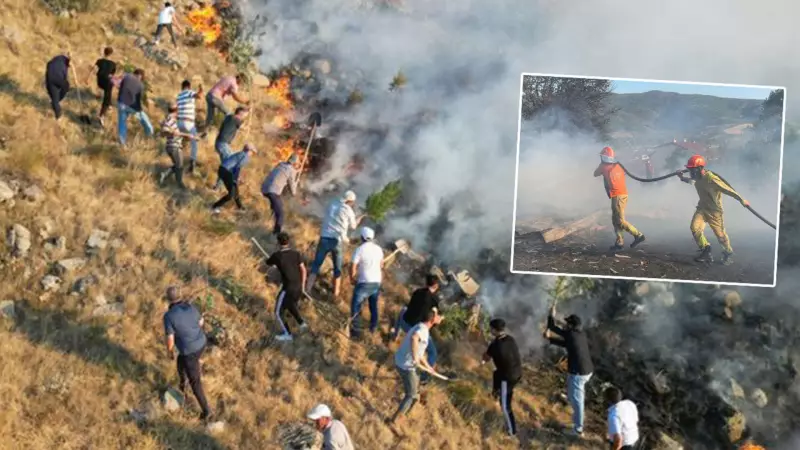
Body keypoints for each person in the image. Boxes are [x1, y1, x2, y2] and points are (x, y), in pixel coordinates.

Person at [678, 154, 749, 265]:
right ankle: (706, 250)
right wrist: (682, 178)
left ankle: (727, 253)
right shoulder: (696, 178)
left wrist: (741, 199)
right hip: (702, 208)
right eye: (690, 170)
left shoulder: (711, 179)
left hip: (714, 212)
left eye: (693, 169)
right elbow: (691, 181)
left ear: (700, 168)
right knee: (695, 228)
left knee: (720, 236)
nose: (691, 172)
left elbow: (728, 189)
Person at [162, 286, 212, 421]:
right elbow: (201, 322)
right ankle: (182, 385)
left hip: (190, 351)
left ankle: (207, 411)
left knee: (195, 382)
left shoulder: (168, 316)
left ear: (168, 299)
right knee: (180, 361)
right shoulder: (190, 307)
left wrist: (170, 352)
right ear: (180, 295)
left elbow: (170, 339)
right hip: (202, 343)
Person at [544, 305, 594, 437]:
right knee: (573, 395)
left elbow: (553, 328)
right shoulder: (579, 334)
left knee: (578, 402)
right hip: (585, 370)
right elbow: (566, 343)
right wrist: (549, 339)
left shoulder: (571, 334)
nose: (565, 325)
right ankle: (571, 399)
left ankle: (578, 430)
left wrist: (551, 315)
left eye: (567, 323)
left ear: (571, 326)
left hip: (579, 373)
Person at [305, 191, 365, 299]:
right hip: (336, 241)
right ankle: (335, 294)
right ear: (350, 201)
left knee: (316, 265)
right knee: (337, 268)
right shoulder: (348, 210)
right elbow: (354, 226)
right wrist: (361, 217)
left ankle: (307, 289)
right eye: (353, 202)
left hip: (324, 238)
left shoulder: (332, 204)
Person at [390, 309, 441, 424]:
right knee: (411, 395)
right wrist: (414, 358)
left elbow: (420, 353)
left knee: (415, 392)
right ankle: (395, 421)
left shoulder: (421, 326)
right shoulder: (422, 330)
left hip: (402, 361)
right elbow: (414, 338)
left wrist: (428, 367)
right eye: (437, 316)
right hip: (406, 366)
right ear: (432, 320)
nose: (439, 317)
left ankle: (406, 414)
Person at [593, 146, 646, 251]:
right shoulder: (618, 165)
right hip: (622, 195)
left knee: (620, 220)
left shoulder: (604, 166)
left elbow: (595, 174)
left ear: (604, 157)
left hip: (617, 196)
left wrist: (601, 166)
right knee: (615, 220)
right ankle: (619, 242)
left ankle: (638, 235)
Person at [393, 274, 442, 383]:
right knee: (432, 352)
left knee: (403, 311)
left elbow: (411, 306)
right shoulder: (434, 300)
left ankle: (394, 335)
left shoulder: (417, 291)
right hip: (415, 329)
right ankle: (424, 377)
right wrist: (439, 319)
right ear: (436, 285)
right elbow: (431, 320)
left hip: (405, 322)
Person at [482, 318, 523, 437]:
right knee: (496, 373)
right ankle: (495, 394)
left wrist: (484, 357)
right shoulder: (511, 339)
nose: (490, 330)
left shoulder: (495, 345)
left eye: (491, 329)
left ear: (494, 330)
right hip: (518, 373)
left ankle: (512, 431)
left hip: (508, 378)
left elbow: (485, 359)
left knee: (505, 406)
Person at [266, 232, 308, 342]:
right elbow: (303, 270)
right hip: (298, 287)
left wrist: (275, 265)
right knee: (290, 305)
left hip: (288, 288)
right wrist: (303, 286)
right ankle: (302, 324)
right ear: (288, 242)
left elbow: (268, 263)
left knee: (278, 312)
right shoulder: (296, 254)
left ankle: (287, 334)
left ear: (278, 243)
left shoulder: (277, 256)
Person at [349, 226, 384, 339]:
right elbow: (381, 265)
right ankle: (373, 328)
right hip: (376, 282)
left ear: (362, 237)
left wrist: (352, 278)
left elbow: (353, 266)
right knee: (373, 306)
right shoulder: (379, 249)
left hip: (364, 282)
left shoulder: (360, 249)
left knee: (356, 306)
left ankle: (356, 332)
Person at [159, 103, 198, 189]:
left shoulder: (169, 120)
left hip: (173, 146)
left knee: (178, 165)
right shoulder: (170, 120)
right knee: (179, 166)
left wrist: (187, 136)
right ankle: (179, 184)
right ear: (176, 111)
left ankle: (164, 175)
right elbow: (164, 131)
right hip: (174, 146)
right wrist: (186, 135)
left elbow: (164, 132)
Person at [260, 153, 301, 235]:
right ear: (295, 163)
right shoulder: (291, 171)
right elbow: (292, 190)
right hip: (273, 191)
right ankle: (276, 233)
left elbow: (284, 172)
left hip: (265, 188)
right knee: (281, 214)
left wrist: (296, 172)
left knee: (277, 205)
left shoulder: (281, 164)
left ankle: (271, 219)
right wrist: (296, 183)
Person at [211, 143, 257, 213]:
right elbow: (237, 168)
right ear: (249, 151)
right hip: (225, 171)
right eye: (252, 152)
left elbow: (234, 167)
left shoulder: (240, 154)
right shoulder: (245, 156)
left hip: (223, 170)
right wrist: (235, 179)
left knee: (235, 191)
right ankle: (215, 206)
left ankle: (241, 208)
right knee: (231, 194)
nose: (252, 154)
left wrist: (236, 178)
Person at [213, 106, 249, 189]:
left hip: (220, 143)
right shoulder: (236, 119)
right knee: (228, 165)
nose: (245, 116)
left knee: (226, 165)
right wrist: (246, 126)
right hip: (223, 144)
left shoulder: (230, 117)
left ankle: (219, 186)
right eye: (244, 114)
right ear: (241, 113)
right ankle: (222, 186)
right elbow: (242, 127)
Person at [117, 69, 154, 147]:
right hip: (132, 106)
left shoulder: (126, 76)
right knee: (144, 119)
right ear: (141, 76)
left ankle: (122, 141)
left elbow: (119, 85)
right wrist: (139, 109)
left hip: (121, 103)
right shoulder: (141, 85)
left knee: (122, 122)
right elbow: (138, 99)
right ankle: (150, 134)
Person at [176, 79, 204, 173]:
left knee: (179, 142)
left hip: (179, 123)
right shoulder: (189, 92)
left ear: (181, 86)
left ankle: (178, 161)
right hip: (189, 123)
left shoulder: (179, 96)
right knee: (194, 143)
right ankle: (192, 162)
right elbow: (199, 96)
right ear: (189, 86)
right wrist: (201, 89)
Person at [86, 47, 117, 125]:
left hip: (99, 82)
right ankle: (101, 115)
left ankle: (109, 105)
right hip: (107, 83)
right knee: (107, 97)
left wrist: (87, 79)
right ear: (111, 54)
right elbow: (111, 76)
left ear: (104, 52)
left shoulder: (99, 61)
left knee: (108, 93)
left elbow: (92, 69)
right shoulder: (113, 64)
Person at [45, 53, 71, 120]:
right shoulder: (65, 67)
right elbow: (64, 79)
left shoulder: (58, 58)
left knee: (54, 98)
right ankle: (56, 101)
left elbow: (48, 64)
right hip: (57, 78)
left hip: (50, 77)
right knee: (66, 86)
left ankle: (57, 113)